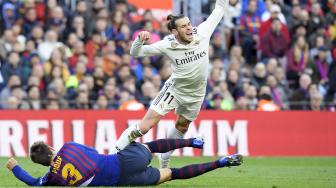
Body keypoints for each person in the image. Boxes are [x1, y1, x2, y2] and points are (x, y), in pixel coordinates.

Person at [111, 0, 238, 168]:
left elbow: (220, 8)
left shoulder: (203, 32)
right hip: (174, 91)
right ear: (174, 31)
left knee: (182, 126)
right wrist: (139, 41)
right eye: (183, 26)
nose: (189, 28)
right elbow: (136, 53)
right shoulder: (167, 44)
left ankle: (165, 156)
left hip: (197, 93)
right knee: (145, 126)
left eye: (189, 24)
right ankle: (113, 156)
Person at [6, 138, 243, 186]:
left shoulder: (51, 179)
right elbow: (93, 150)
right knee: (150, 147)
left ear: (42, 163)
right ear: (50, 148)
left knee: (172, 174)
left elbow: (31, 182)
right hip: (122, 159)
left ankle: (220, 163)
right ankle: (192, 141)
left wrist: (14, 167)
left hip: (125, 179)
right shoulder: (68, 146)